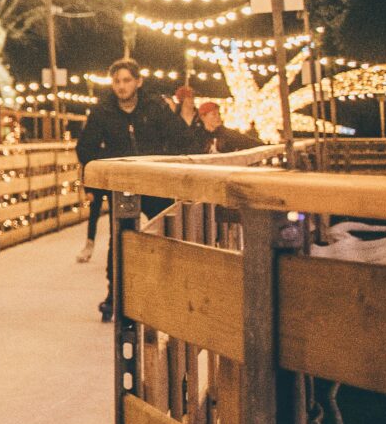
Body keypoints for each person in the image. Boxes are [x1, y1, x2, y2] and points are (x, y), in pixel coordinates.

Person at [75, 57, 197, 316]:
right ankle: (115, 296)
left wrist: (166, 166)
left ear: (138, 82)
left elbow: (181, 138)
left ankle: (171, 290)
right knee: (120, 239)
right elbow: (85, 148)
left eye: (127, 80)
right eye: (117, 81)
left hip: (155, 182)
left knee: (168, 234)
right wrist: (106, 171)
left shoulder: (154, 108)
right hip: (123, 186)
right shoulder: (102, 111)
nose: (121, 86)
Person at [191, 101, 261, 154]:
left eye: (219, 114)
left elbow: (250, 143)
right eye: (214, 114)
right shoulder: (196, 136)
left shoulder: (229, 134)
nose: (218, 117)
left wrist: (269, 147)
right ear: (203, 117)